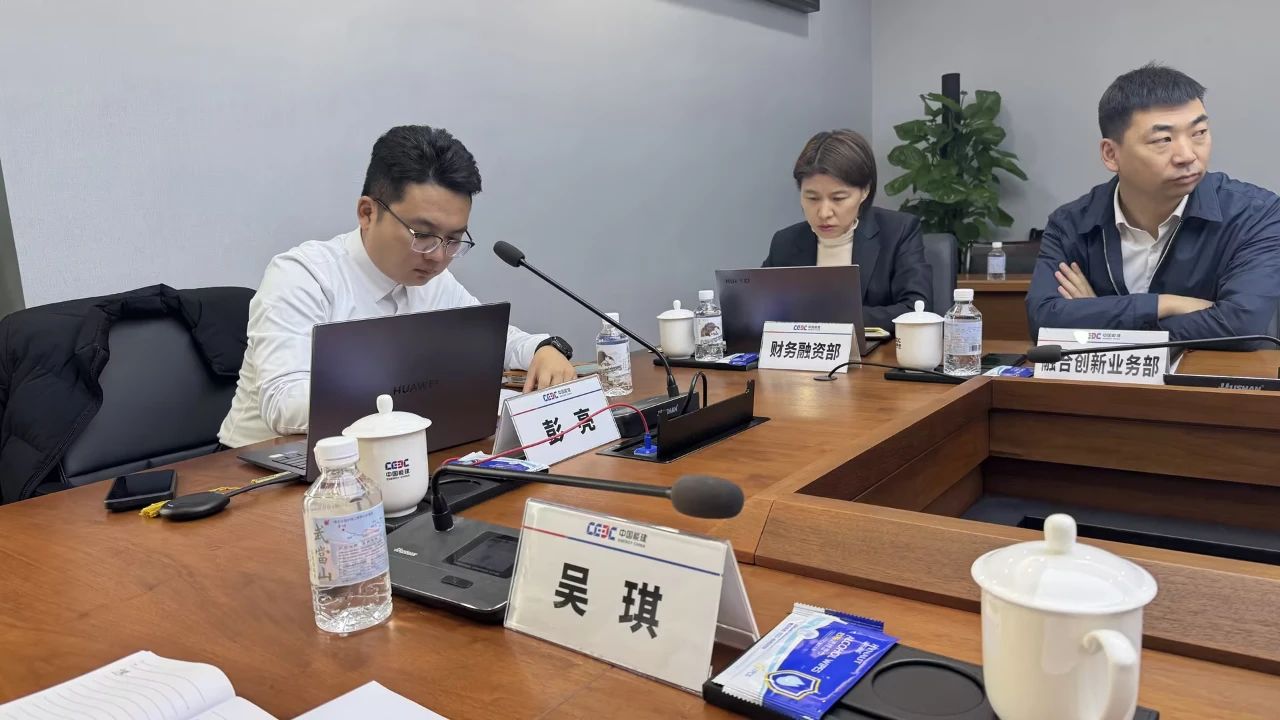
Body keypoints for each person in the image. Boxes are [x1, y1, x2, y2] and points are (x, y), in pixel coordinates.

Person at [218, 125, 576, 448]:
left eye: (453, 240)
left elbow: (492, 340)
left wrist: (544, 348)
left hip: (382, 456)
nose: (438, 256)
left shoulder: (432, 280)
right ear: (367, 213)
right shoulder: (303, 276)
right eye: (422, 234)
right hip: (258, 468)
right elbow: (284, 405)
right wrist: (417, 392)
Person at [1027, 63, 1280, 341]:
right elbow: (1043, 321)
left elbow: (1242, 326)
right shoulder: (1071, 224)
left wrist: (1096, 315)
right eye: (1163, 139)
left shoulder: (1256, 215)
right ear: (1111, 154)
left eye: (1199, 133)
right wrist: (1166, 304)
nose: (1187, 155)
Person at [762, 129, 933, 331]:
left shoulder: (898, 232)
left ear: (865, 191)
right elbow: (759, 308)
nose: (824, 213)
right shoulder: (785, 242)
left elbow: (916, 309)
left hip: (876, 351)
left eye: (838, 198)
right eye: (812, 198)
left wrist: (832, 317)